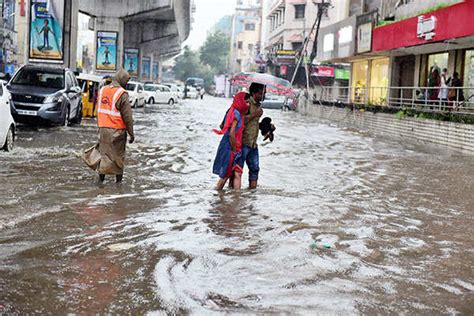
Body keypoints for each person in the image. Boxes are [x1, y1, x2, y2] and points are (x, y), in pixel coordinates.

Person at [82, 69, 135, 183]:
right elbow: (128, 117)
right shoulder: (122, 93)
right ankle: (118, 183)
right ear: (122, 80)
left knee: (104, 153)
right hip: (117, 130)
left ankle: (101, 180)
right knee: (118, 156)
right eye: (126, 81)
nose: (126, 84)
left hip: (102, 128)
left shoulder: (103, 90)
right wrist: (131, 134)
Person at [213, 92, 250, 190]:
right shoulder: (236, 114)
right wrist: (234, 150)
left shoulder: (236, 112)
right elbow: (231, 134)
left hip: (233, 146)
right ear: (240, 101)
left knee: (233, 172)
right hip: (229, 146)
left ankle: (233, 198)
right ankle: (217, 194)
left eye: (249, 102)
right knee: (225, 174)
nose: (248, 105)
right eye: (246, 102)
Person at [241, 83, 265, 189]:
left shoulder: (258, 106)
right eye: (261, 93)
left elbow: (253, 125)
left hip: (253, 144)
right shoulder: (246, 104)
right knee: (237, 171)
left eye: (264, 93)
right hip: (243, 142)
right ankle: (233, 195)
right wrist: (255, 114)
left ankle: (252, 196)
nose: (263, 95)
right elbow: (239, 120)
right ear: (254, 93)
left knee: (255, 169)